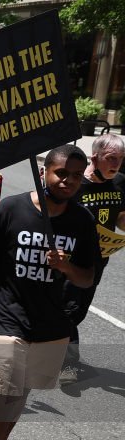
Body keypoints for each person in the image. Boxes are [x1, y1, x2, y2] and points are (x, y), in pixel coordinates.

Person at [0, 145, 99, 440]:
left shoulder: (82, 221)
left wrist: (66, 267)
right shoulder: (12, 209)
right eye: (60, 173)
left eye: (75, 175)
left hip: (52, 324)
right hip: (9, 316)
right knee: (8, 389)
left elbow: (87, 278)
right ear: (44, 172)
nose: (67, 181)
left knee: (22, 391)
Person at [61, 133, 125, 382]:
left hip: (99, 259)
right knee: (68, 308)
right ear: (94, 158)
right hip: (70, 258)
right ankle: (68, 363)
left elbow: (120, 218)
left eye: (120, 158)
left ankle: (52, 347)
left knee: (78, 312)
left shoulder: (120, 183)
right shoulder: (77, 183)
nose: (116, 163)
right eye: (111, 158)